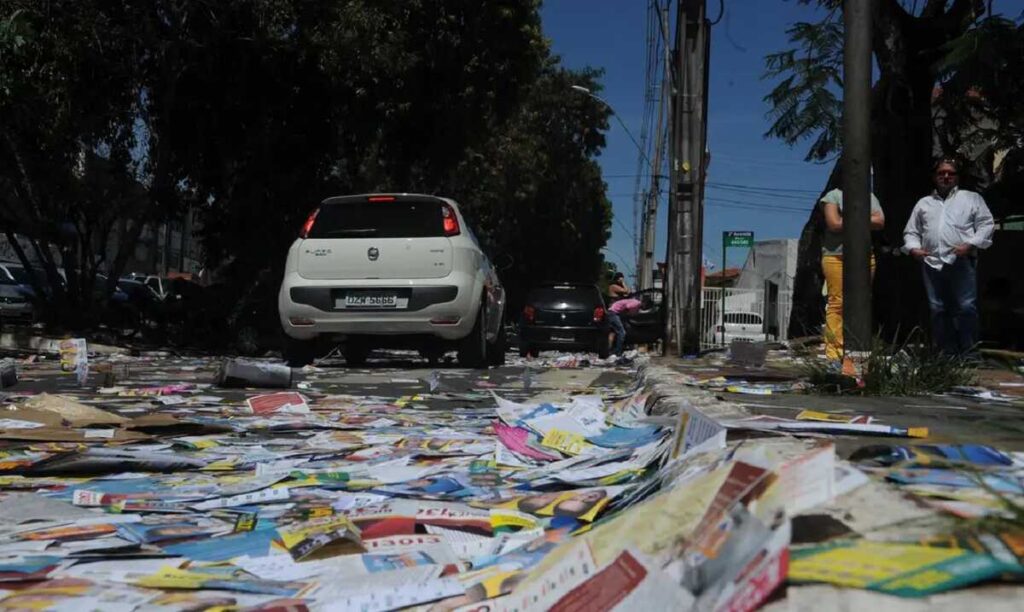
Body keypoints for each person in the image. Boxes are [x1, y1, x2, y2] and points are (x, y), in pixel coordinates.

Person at [903, 158, 995, 356]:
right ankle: (947, 354)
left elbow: (986, 224)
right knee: (938, 309)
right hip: (931, 262)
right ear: (934, 177)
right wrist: (914, 249)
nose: (946, 176)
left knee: (965, 307)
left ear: (957, 177)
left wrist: (970, 244)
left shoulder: (971, 198)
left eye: (950, 173)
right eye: (941, 173)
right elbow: (911, 232)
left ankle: (969, 354)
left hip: (961, 261)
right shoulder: (924, 203)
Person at [819, 176, 885, 365]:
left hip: (864, 255)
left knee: (861, 302)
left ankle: (858, 349)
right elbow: (834, 223)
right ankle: (834, 353)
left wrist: (849, 218)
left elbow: (880, 221)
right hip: (836, 256)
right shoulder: (833, 196)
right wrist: (864, 218)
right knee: (837, 302)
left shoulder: (869, 196)